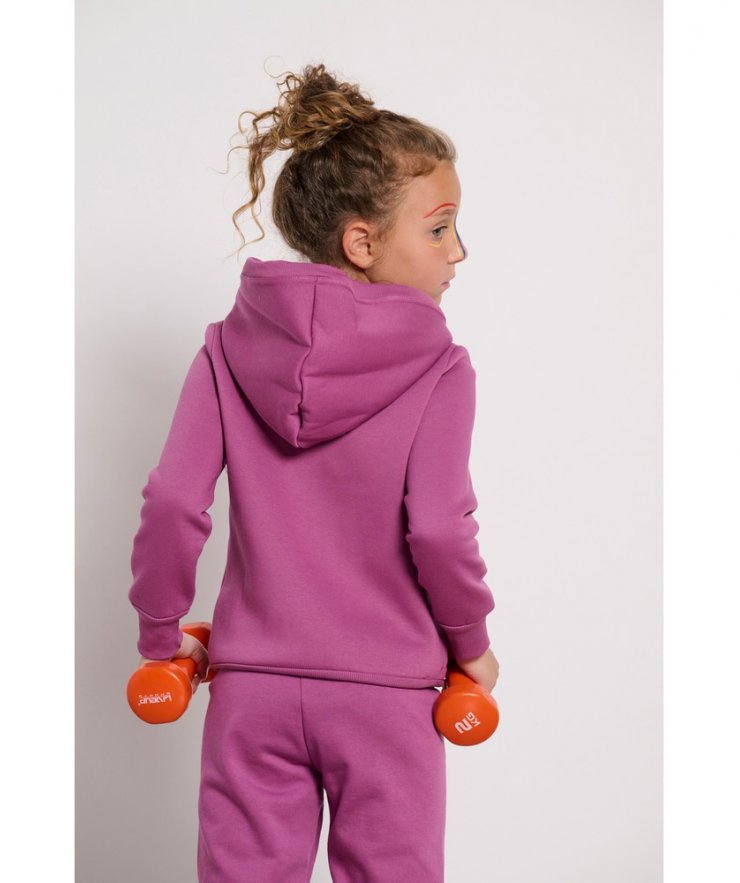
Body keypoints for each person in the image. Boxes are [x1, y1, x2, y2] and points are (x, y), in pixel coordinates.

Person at [128, 62, 500, 883]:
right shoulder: (442, 368)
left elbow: (173, 501)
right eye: (440, 229)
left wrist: (160, 638)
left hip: (251, 690)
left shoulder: (225, 350)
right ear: (362, 241)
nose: (458, 251)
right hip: (387, 693)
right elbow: (439, 528)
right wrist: (471, 645)